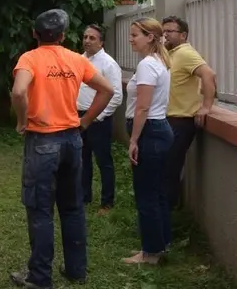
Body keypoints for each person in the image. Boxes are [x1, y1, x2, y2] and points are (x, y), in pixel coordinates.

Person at [9, 9, 114, 289]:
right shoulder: (76, 59)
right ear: (63, 35)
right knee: (72, 207)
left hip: (42, 141)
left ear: (35, 34)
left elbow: (18, 91)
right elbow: (107, 89)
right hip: (72, 141)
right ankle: (76, 269)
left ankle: (39, 277)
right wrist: (85, 122)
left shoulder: (29, 58)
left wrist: (22, 120)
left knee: (40, 210)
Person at [124, 17, 173, 265]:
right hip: (159, 129)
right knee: (157, 191)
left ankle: (151, 252)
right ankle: (160, 242)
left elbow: (142, 107)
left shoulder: (147, 65)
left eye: (135, 35)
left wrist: (134, 140)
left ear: (150, 37)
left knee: (146, 194)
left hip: (149, 131)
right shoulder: (158, 62)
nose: (130, 39)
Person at [161, 16, 217, 210]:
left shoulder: (185, 53)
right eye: (163, 31)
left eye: (170, 31)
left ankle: (167, 217)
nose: (165, 35)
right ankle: (165, 213)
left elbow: (209, 74)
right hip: (168, 120)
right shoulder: (171, 53)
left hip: (181, 122)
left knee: (169, 170)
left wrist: (206, 106)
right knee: (165, 169)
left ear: (183, 35)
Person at [76, 25, 123, 215]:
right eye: (85, 37)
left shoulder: (108, 64)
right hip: (79, 117)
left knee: (103, 161)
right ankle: (84, 197)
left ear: (101, 42)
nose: (87, 41)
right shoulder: (79, 60)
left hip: (99, 120)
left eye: (92, 38)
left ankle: (107, 202)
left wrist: (97, 116)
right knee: (82, 159)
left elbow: (116, 96)